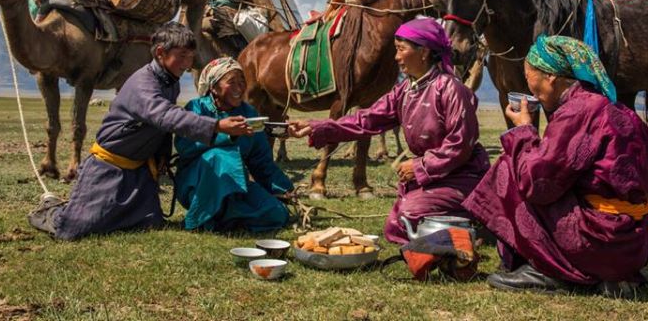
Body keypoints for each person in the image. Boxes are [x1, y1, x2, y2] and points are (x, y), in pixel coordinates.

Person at [463, 34, 648, 293]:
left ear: (551, 76)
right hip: (636, 243)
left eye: (532, 81)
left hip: (601, 243)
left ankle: (547, 268)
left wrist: (523, 131)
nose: (532, 92)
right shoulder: (618, 110)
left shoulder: (577, 112)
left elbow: (537, 185)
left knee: (509, 168)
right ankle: (609, 275)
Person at [27, 22, 250, 240]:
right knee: (71, 229)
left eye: (191, 56)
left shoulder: (171, 81)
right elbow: (164, 115)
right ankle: (49, 209)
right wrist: (216, 126)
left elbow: (161, 126)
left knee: (148, 222)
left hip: (138, 173)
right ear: (161, 53)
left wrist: (162, 153)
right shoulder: (144, 84)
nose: (188, 63)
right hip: (108, 167)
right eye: (182, 55)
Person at [288, 17, 490, 244]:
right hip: (433, 177)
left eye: (401, 49)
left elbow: (460, 145)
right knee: (399, 220)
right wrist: (318, 127)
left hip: (461, 177)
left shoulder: (451, 88)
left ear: (423, 52)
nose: (396, 57)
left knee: (407, 216)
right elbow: (365, 120)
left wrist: (419, 166)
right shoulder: (406, 89)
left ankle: (474, 220)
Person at [174, 57, 294, 232]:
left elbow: (261, 161)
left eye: (242, 81)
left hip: (236, 184)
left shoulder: (249, 113)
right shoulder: (197, 108)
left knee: (279, 213)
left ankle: (224, 220)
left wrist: (284, 189)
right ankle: (201, 219)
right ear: (213, 87)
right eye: (231, 82)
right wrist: (226, 135)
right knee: (220, 157)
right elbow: (185, 145)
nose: (239, 87)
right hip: (198, 184)